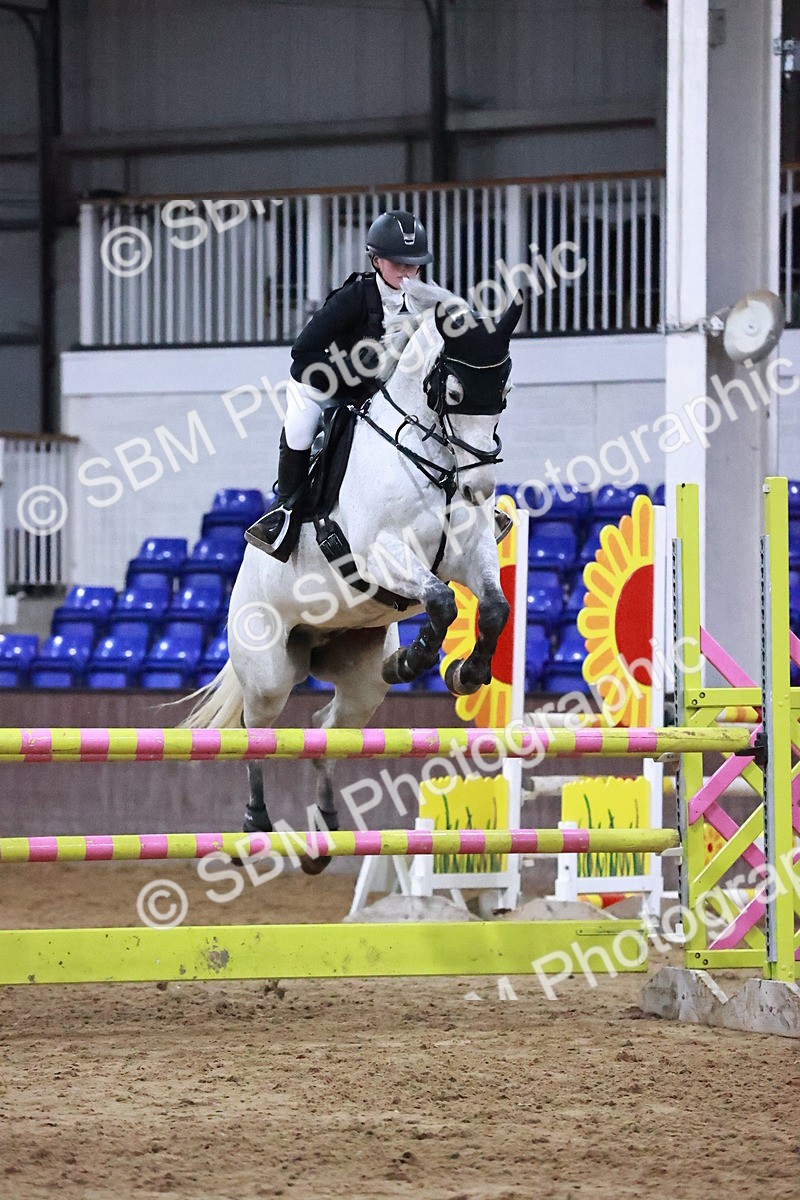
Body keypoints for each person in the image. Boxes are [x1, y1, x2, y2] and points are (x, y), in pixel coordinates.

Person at [245, 210, 433, 554]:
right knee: (300, 426)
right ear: (376, 261)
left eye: (414, 264)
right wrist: (349, 375)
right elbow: (302, 353)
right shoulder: (354, 297)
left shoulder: (427, 298)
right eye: (399, 264)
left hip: (385, 396)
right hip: (327, 386)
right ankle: (283, 514)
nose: (408, 272)